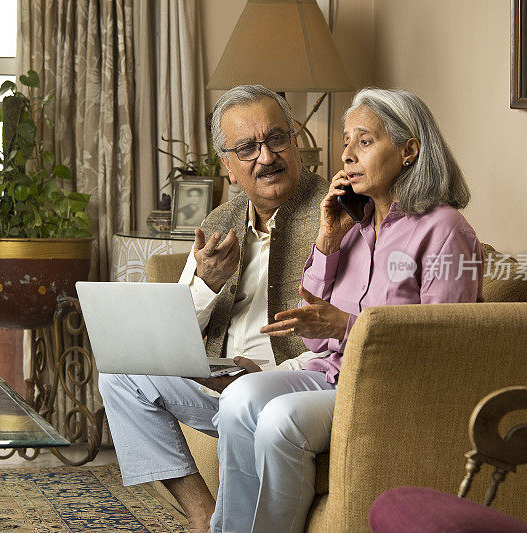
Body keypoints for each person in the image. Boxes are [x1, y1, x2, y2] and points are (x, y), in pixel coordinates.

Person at [197, 87, 483, 532]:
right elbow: (312, 336)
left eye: (364, 141)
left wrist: (347, 326)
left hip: (387, 386)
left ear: (409, 150)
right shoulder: (354, 223)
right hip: (329, 372)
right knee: (236, 399)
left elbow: (445, 347)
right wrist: (328, 239)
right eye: (347, 141)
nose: (347, 155)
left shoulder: (445, 230)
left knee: (280, 420)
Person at [98, 84, 329, 533]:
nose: (266, 157)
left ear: (295, 143)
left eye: (276, 139)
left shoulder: (333, 216)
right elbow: (171, 333)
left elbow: (345, 329)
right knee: (120, 373)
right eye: (247, 148)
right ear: (226, 164)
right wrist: (206, 282)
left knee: (245, 397)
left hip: (283, 391)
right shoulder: (220, 222)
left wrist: (261, 377)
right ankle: (201, 516)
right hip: (218, 383)